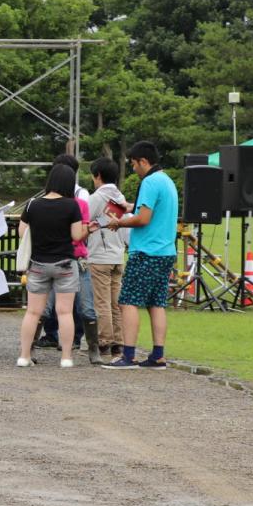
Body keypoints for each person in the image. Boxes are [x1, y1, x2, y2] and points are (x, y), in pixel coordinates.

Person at [102, 141, 178, 370]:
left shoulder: (149, 182)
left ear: (143, 161)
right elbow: (150, 210)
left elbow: (143, 219)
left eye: (134, 164)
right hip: (165, 251)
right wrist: (129, 207)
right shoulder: (166, 180)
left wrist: (120, 222)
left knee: (128, 301)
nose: (134, 168)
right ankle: (158, 355)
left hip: (146, 251)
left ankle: (129, 355)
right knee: (157, 303)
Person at [16, 164, 94, 368]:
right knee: (65, 312)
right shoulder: (71, 206)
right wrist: (88, 230)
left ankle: (24, 355)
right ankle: (66, 357)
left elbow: (22, 233)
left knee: (33, 312)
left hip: (38, 264)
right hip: (65, 264)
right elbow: (77, 236)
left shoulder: (33, 204)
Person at [87, 158, 128, 358]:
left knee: (101, 302)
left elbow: (84, 221)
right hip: (118, 255)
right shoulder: (121, 199)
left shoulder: (96, 198)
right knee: (115, 302)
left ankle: (104, 341)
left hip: (99, 256)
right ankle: (118, 342)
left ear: (98, 176)